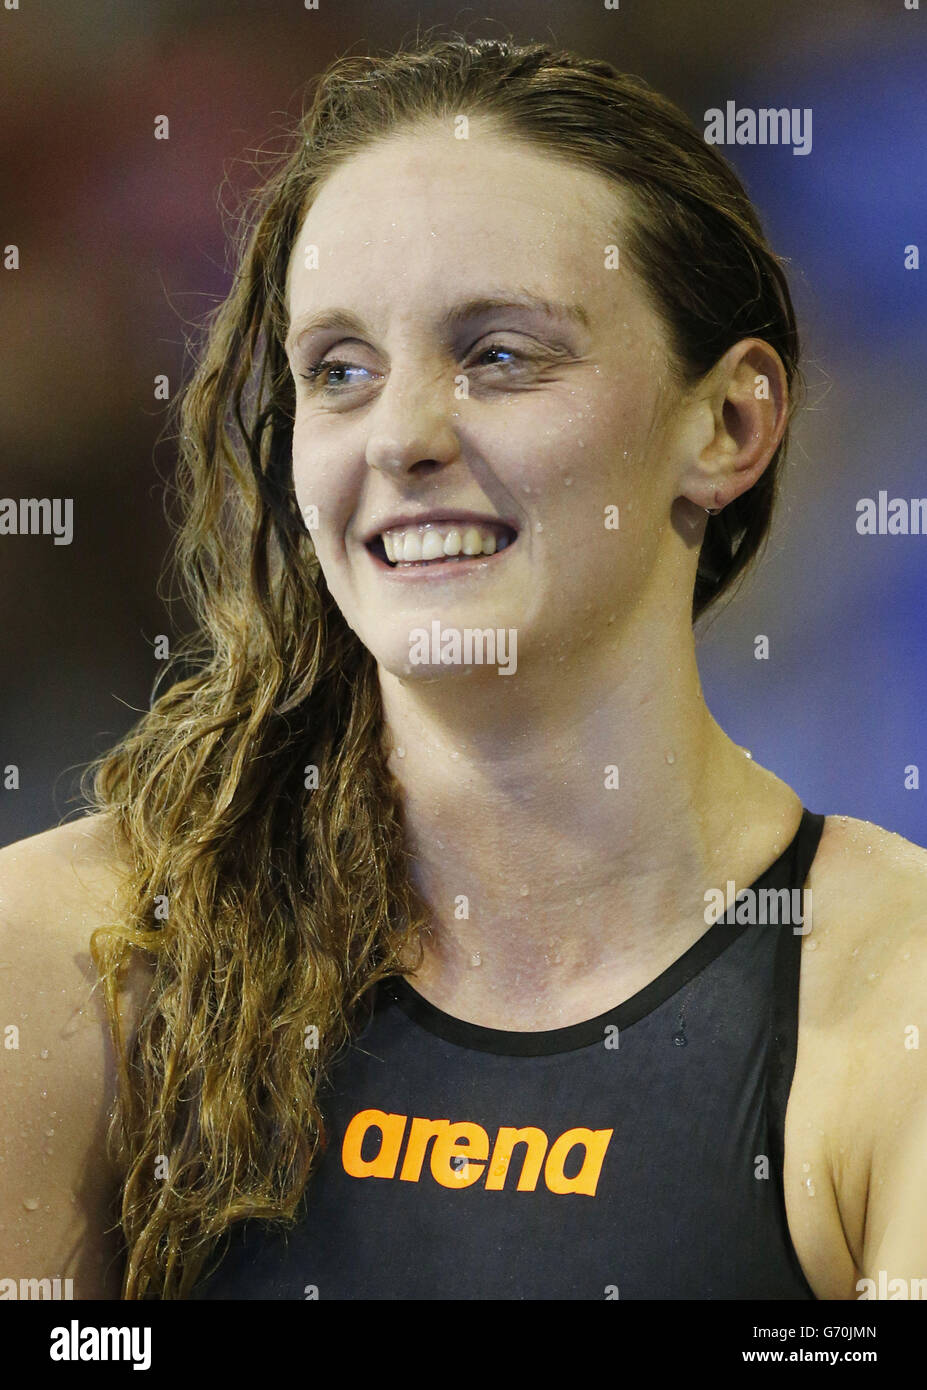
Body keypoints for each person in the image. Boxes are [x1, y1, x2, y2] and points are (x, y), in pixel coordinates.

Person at [2, 33, 925, 1302]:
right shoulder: (69, 963)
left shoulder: (895, 1000)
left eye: (498, 354)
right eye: (339, 371)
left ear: (729, 423)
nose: (402, 437)